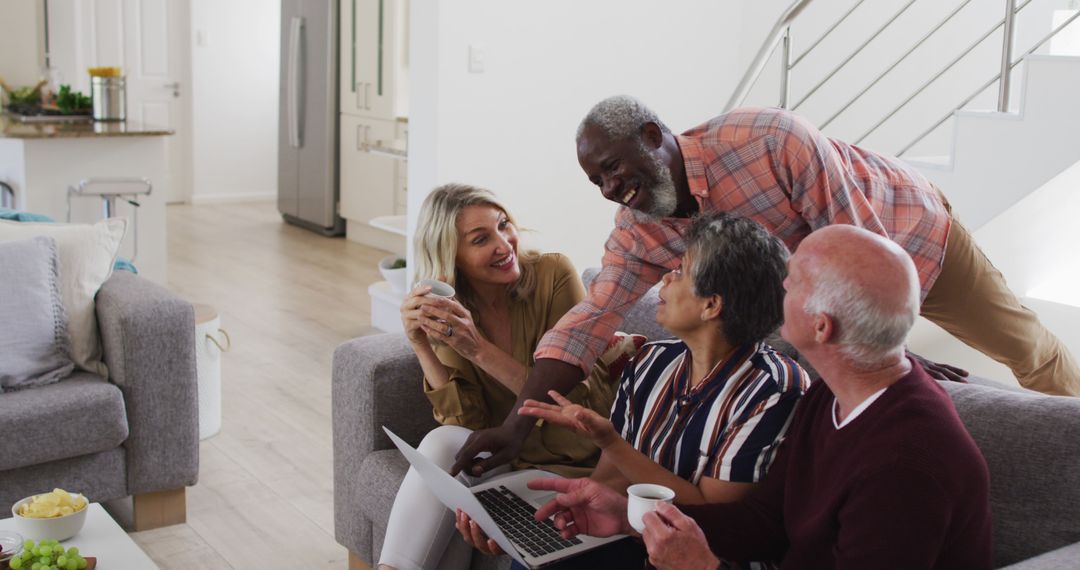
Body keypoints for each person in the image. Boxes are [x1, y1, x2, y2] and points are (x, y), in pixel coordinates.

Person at [452, 95, 1077, 478]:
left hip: (904, 231)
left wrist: (889, 356)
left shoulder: (769, 140)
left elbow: (856, 242)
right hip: (818, 292)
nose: (612, 190)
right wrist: (516, 425)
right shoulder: (639, 227)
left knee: (1026, 348)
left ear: (653, 137)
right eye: (598, 182)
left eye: (613, 169)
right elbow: (590, 319)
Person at [525, 225, 993, 569]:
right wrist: (633, 518)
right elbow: (765, 521)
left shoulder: (904, 466)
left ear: (821, 327)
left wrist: (704, 568)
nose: (777, 291)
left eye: (792, 285)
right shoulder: (834, 395)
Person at [455, 212, 809, 569]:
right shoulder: (651, 361)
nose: (666, 278)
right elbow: (608, 481)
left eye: (681, 271)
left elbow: (710, 518)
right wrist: (538, 531)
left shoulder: (773, 389)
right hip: (635, 534)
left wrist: (611, 442)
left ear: (711, 305)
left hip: (702, 557)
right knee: (539, 560)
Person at [378, 184, 626, 570]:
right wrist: (422, 346)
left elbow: (577, 407)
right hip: (504, 464)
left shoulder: (553, 275)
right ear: (451, 257)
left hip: (572, 459)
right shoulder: (450, 307)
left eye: (503, 224)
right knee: (443, 443)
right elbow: (467, 427)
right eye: (481, 239)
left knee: (450, 491)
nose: (504, 243)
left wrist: (478, 349)